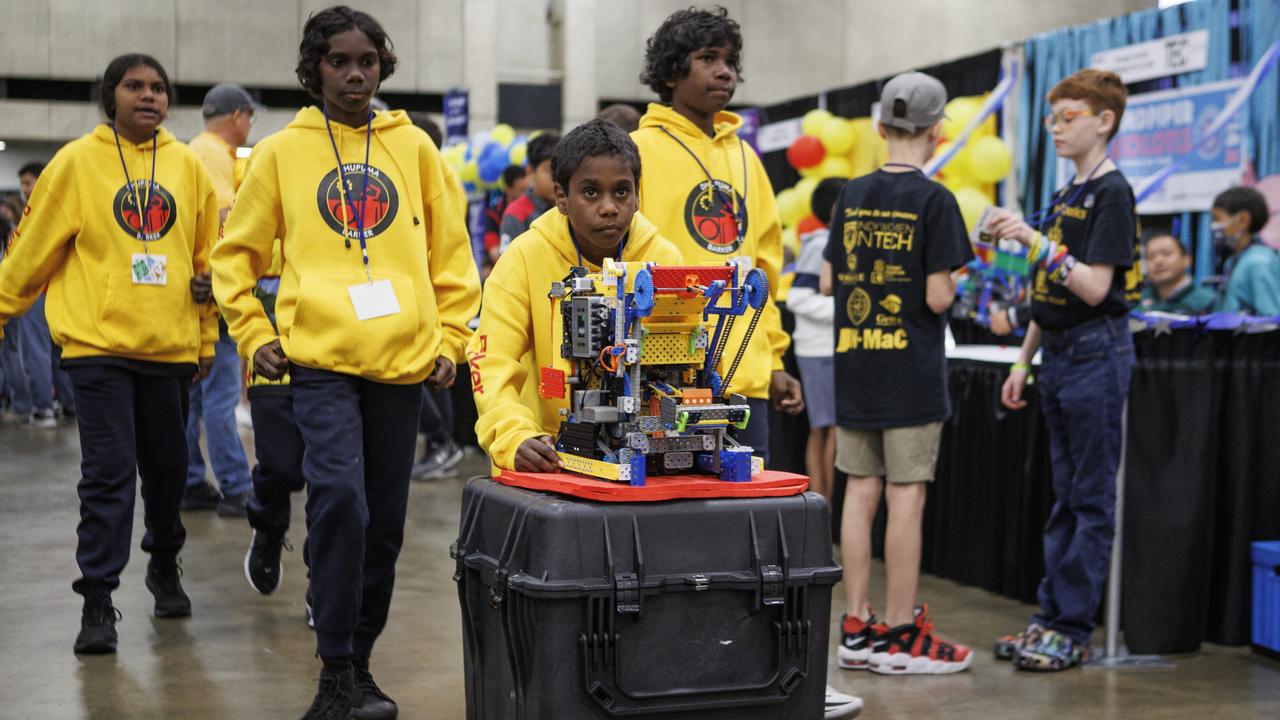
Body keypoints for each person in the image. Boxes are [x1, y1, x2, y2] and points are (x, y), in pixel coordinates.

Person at [211, 7, 481, 719]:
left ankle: (360, 665)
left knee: (384, 524)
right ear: (315, 69)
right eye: (338, 60)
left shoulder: (415, 149)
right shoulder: (278, 153)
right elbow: (234, 258)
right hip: (319, 361)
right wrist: (249, 329)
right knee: (339, 500)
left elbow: (452, 256)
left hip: (401, 365)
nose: (354, 72)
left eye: (366, 60)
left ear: (382, 67)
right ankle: (332, 671)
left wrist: (450, 338)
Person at [0, 52, 220, 654]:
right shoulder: (74, 163)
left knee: (170, 474)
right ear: (110, 95)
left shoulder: (188, 168)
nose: (148, 96)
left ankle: (163, 563)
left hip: (170, 350)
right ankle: (97, 598)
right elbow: (31, 252)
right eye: (133, 86)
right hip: (97, 349)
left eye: (157, 87)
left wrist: (204, 342)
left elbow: (207, 264)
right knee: (108, 475)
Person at [820, 72, 974, 676]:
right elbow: (938, 298)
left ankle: (855, 628)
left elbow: (832, 282)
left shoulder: (852, 194)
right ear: (936, 132)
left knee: (859, 495)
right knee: (905, 499)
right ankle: (903, 633)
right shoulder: (936, 201)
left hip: (856, 368)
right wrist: (954, 279)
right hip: (909, 372)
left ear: (880, 126)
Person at [987, 68, 1141, 671]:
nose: (1055, 127)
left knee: (1091, 499)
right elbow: (1048, 289)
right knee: (1066, 497)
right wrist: (1023, 362)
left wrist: (1032, 239)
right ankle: (1050, 617)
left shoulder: (1111, 193)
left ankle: (1071, 627)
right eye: (1052, 117)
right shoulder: (1065, 195)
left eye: (1068, 116)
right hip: (1059, 353)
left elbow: (1097, 287)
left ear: (1103, 121)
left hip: (1097, 351)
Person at [631, 6, 804, 469]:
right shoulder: (638, 151)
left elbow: (766, 269)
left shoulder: (748, 156)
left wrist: (774, 361)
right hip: (665, 376)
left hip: (746, 376)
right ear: (671, 71)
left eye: (730, 60)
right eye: (708, 58)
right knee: (677, 515)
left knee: (747, 518)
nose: (725, 71)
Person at [472, 118, 682, 473]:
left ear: (637, 195)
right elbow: (491, 360)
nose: (608, 207)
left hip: (647, 457)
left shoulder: (664, 259)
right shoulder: (524, 257)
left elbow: (685, 360)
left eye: (621, 191)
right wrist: (513, 435)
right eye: (590, 192)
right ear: (561, 198)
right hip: (546, 456)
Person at [182, 83, 258, 516]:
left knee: (196, 395)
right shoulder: (210, 152)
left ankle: (191, 481)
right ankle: (235, 485)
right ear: (237, 116)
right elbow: (223, 218)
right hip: (214, 290)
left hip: (198, 288)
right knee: (221, 394)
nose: (249, 126)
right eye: (249, 117)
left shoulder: (200, 151)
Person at [788, 176, 844, 502]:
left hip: (826, 349)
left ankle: (823, 510)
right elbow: (797, 297)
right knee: (828, 428)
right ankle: (824, 507)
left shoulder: (826, 241)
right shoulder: (820, 244)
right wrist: (846, 310)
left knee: (826, 428)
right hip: (819, 349)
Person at [1212, 186, 1280, 316]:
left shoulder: (1258, 263)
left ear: (1243, 220)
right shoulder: (1234, 261)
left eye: (1217, 219)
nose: (1214, 227)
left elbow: (1272, 320)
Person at [498, 131, 560, 252]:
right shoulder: (516, 213)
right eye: (550, 171)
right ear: (530, 171)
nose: (557, 178)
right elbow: (507, 264)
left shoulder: (569, 210)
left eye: (561, 171)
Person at [1139, 232, 1215, 315]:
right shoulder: (1137, 301)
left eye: (1167, 253)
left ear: (1186, 260)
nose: (1158, 261)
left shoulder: (1207, 302)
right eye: (1151, 256)